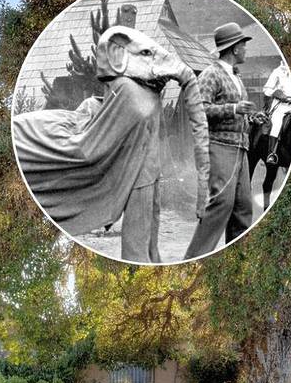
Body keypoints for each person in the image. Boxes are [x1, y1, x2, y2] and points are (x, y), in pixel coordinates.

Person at [13, 26, 208, 263]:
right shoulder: (128, 90)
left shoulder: (141, 89)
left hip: (149, 172)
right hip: (139, 176)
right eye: (145, 54)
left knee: (150, 243)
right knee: (138, 245)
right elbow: (105, 139)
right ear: (118, 55)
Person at [185, 22, 256, 259]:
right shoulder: (210, 74)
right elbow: (200, 109)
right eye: (244, 45)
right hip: (220, 147)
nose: (246, 49)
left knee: (243, 209)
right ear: (235, 49)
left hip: (240, 149)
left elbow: (237, 111)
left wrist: (251, 116)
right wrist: (234, 108)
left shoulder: (236, 76)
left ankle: (236, 264)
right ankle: (194, 258)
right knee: (221, 204)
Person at [261, 62, 291, 164]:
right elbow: (266, 89)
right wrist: (276, 93)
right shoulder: (277, 72)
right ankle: (271, 153)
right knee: (277, 123)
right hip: (281, 105)